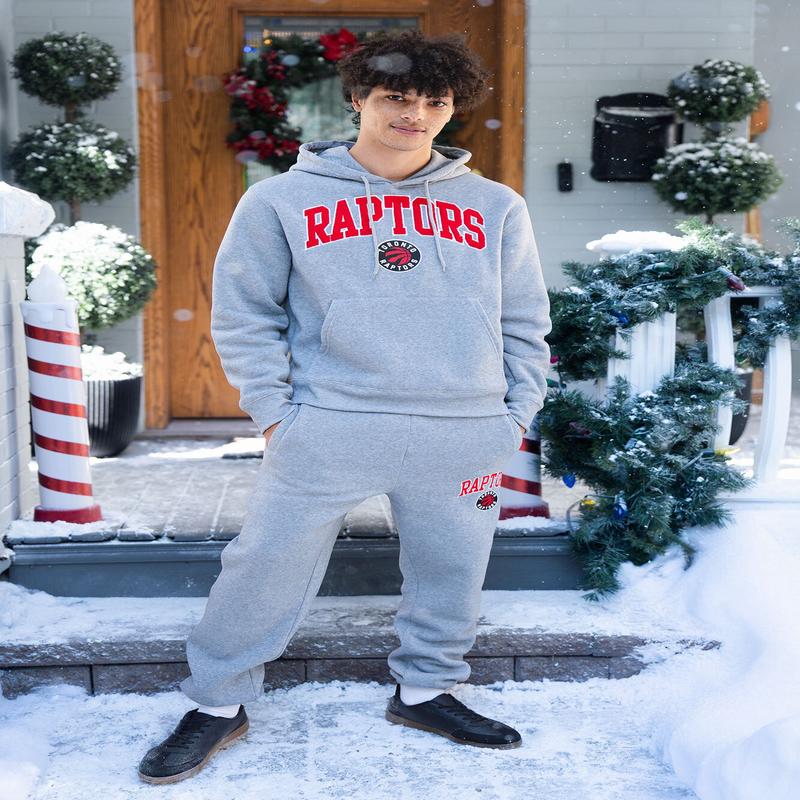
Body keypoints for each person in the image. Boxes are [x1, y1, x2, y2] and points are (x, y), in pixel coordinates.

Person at [138, 29, 552, 784]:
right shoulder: (282, 202)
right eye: (397, 97)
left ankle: (427, 688)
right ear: (358, 99)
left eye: (435, 101)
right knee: (263, 564)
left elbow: (525, 318)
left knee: (452, 569)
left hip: (464, 428)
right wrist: (273, 414)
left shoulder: (496, 206)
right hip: (331, 422)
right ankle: (217, 703)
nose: (415, 114)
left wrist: (515, 412)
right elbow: (244, 314)